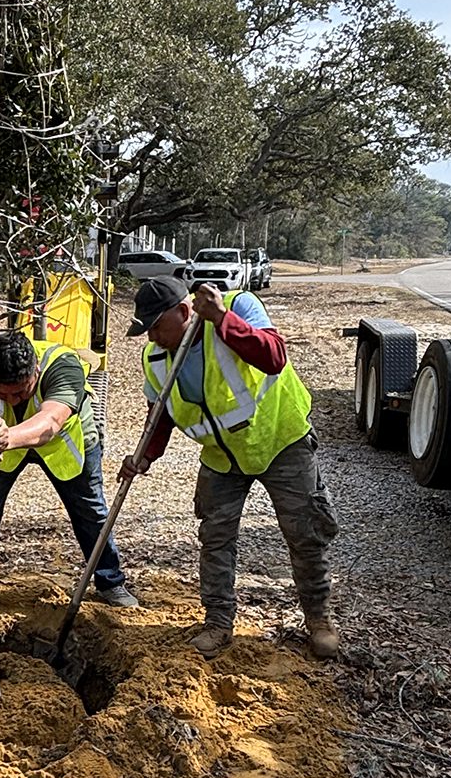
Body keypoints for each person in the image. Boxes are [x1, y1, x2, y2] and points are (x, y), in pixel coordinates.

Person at [120, 276, 340, 660]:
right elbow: (161, 415)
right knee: (216, 540)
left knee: (305, 534)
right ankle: (219, 623)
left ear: (184, 311)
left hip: (279, 441)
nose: (153, 337)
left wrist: (222, 318)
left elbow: (274, 356)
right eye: (147, 330)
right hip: (222, 458)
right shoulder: (155, 358)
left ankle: (318, 620)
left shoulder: (238, 306)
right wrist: (144, 456)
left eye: (157, 326)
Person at [0, 329, 139, 613]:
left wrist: (6, 438)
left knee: (90, 512)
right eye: (4, 394)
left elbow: (51, 420)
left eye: (20, 391)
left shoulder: (64, 364)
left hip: (67, 444)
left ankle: (110, 581)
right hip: (1, 449)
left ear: (36, 370)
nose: (12, 400)